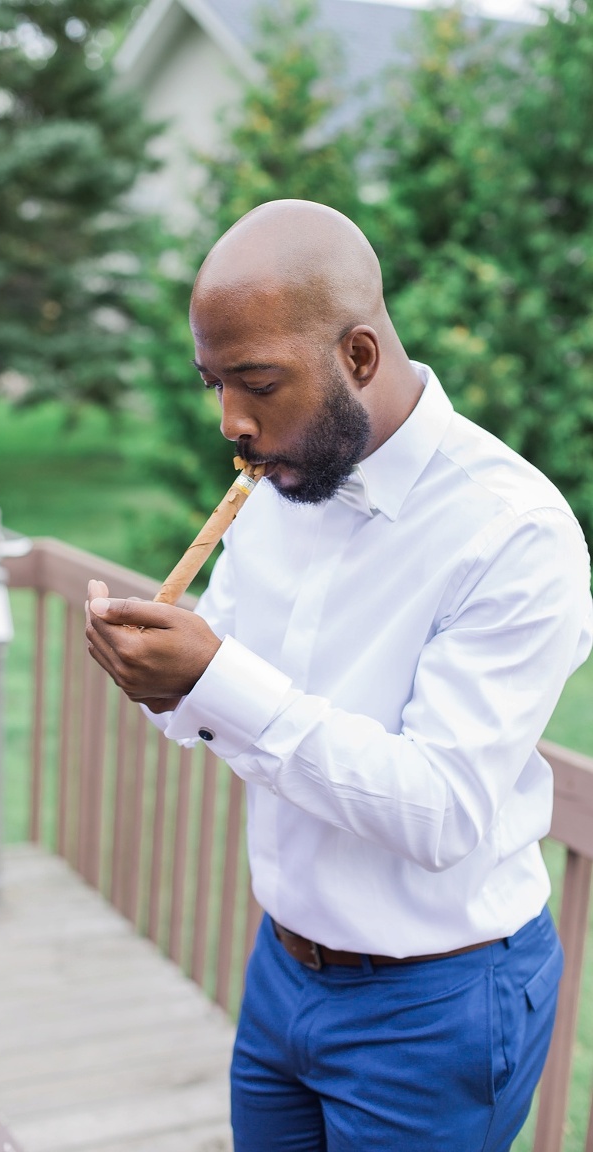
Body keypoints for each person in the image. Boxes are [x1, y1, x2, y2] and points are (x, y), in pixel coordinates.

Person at [85, 200, 593, 1151]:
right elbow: (221, 688)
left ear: (359, 355)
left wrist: (214, 677)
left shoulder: (514, 531)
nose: (232, 420)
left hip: (437, 1000)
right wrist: (166, 674)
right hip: (283, 969)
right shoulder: (284, 471)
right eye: (214, 384)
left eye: (257, 382)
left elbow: (440, 812)